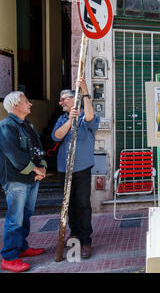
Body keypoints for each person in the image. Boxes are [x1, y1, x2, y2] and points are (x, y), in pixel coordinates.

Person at [51, 77, 99, 259]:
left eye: (63, 99)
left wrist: (85, 92)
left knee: (83, 205)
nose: (60, 102)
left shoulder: (86, 119)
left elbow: (90, 117)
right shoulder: (63, 118)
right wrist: (70, 120)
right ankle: (74, 233)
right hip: (65, 169)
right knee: (68, 205)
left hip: (82, 169)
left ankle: (86, 240)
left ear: (74, 99)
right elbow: (56, 136)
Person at [0, 91, 47, 272]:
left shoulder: (28, 125)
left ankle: (21, 247)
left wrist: (42, 168)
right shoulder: (6, 126)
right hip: (16, 180)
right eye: (26, 101)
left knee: (26, 215)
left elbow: (38, 148)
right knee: (15, 218)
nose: (30, 104)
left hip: (32, 177)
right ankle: (9, 257)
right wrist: (36, 170)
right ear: (15, 106)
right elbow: (15, 155)